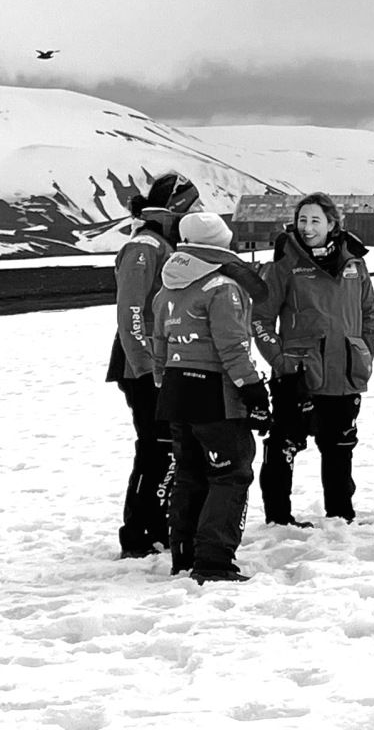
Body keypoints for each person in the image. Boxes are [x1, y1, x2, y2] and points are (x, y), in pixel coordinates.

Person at [152, 212, 271, 583]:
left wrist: (162, 382)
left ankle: (184, 555)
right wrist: (255, 394)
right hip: (214, 392)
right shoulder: (221, 287)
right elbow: (232, 349)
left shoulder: (166, 288)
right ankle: (214, 561)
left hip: (175, 389)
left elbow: (159, 346)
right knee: (230, 473)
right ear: (221, 244)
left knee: (189, 474)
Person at [251, 193, 374, 526]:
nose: (307, 228)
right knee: (285, 445)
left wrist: (365, 351)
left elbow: (368, 313)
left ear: (332, 224)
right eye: (302, 220)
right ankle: (279, 518)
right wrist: (281, 362)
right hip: (300, 376)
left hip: (346, 372)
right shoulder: (285, 264)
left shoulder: (355, 263)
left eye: (315, 221)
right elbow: (261, 319)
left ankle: (340, 515)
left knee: (339, 446)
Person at [104, 171, 201, 558]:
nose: (197, 213)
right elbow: (130, 313)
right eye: (193, 206)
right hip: (141, 365)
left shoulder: (162, 243)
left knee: (167, 447)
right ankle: (139, 534)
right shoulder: (145, 246)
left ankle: (156, 525)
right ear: (177, 207)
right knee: (156, 446)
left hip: (160, 363)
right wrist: (148, 369)